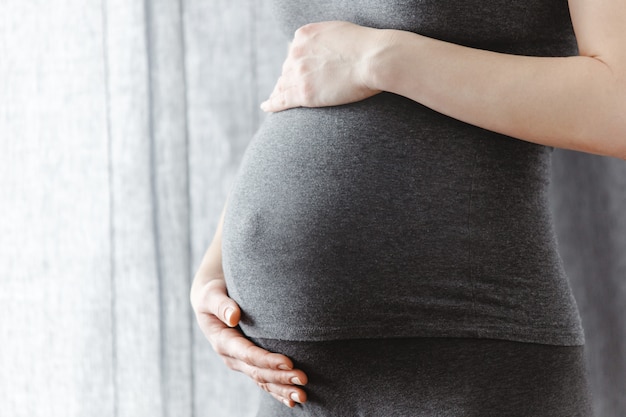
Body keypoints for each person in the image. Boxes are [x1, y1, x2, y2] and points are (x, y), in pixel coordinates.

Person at [191, 0, 625, 415]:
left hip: (465, 358)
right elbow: (311, 74)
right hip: (296, 387)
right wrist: (218, 264)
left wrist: (381, 59)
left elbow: (617, 104)